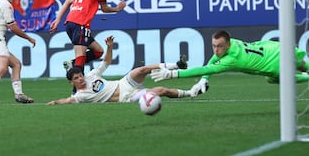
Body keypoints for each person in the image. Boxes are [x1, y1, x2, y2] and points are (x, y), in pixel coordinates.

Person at [151, 30, 309, 94]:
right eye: (213, 45)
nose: (216, 50)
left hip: (275, 64)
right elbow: (213, 60)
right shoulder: (233, 43)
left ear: (227, 44)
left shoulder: (231, 60)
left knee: (281, 76)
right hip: (274, 48)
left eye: (219, 46)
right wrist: (205, 79)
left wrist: (173, 73)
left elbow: (203, 67)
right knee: (280, 76)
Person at [46, 36, 197, 105]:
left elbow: (106, 62)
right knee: (162, 91)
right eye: (77, 78)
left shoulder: (91, 75)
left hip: (123, 83)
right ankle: (191, 93)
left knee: (141, 69)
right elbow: (68, 101)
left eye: (80, 75)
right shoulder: (81, 95)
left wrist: (109, 48)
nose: (81, 78)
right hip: (127, 96)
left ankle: (176, 65)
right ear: (71, 82)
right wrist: (54, 102)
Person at [49, 0, 126, 91]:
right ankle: (77, 91)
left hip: (70, 23)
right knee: (81, 56)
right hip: (80, 23)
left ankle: (72, 64)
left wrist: (57, 20)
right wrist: (117, 8)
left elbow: (68, 1)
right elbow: (105, 8)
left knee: (98, 51)